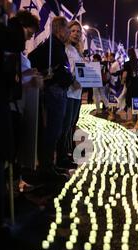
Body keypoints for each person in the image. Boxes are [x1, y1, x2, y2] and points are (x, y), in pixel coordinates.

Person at [29, 16, 72, 182]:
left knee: (55, 130)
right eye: (67, 28)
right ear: (60, 30)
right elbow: (32, 58)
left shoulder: (57, 46)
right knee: (51, 131)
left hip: (58, 92)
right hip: (53, 93)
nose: (68, 31)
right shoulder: (51, 46)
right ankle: (46, 169)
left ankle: (49, 166)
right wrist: (45, 74)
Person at [57, 20, 84, 170]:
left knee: (72, 125)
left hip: (77, 94)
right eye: (73, 31)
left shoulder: (78, 51)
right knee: (65, 126)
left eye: (78, 31)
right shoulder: (65, 49)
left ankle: (66, 153)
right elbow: (66, 71)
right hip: (68, 92)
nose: (76, 34)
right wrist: (72, 80)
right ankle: (61, 157)